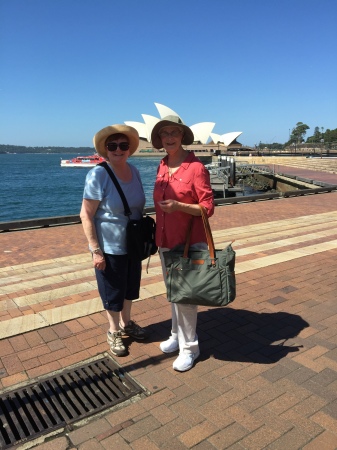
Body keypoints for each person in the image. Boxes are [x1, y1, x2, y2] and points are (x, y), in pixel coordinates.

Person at [152, 116, 214, 372]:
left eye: (174, 132)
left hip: (190, 243)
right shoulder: (162, 165)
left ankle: (190, 348)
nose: (169, 137)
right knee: (173, 293)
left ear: (182, 136)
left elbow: (208, 208)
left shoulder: (196, 167)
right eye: (165, 133)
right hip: (165, 240)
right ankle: (177, 336)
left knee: (186, 297)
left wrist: (179, 206)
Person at [80, 124, 148, 357]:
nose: (118, 150)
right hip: (109, 247)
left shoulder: (135, 171)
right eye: (113, 146)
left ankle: (127, 324)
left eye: (123, 145)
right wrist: (95, 250)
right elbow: (86, 214)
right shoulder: (98, 174)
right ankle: (113, 330)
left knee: (130, 288)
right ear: (105, 150)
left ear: (129, 149)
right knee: (112, 291)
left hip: (133, 244)